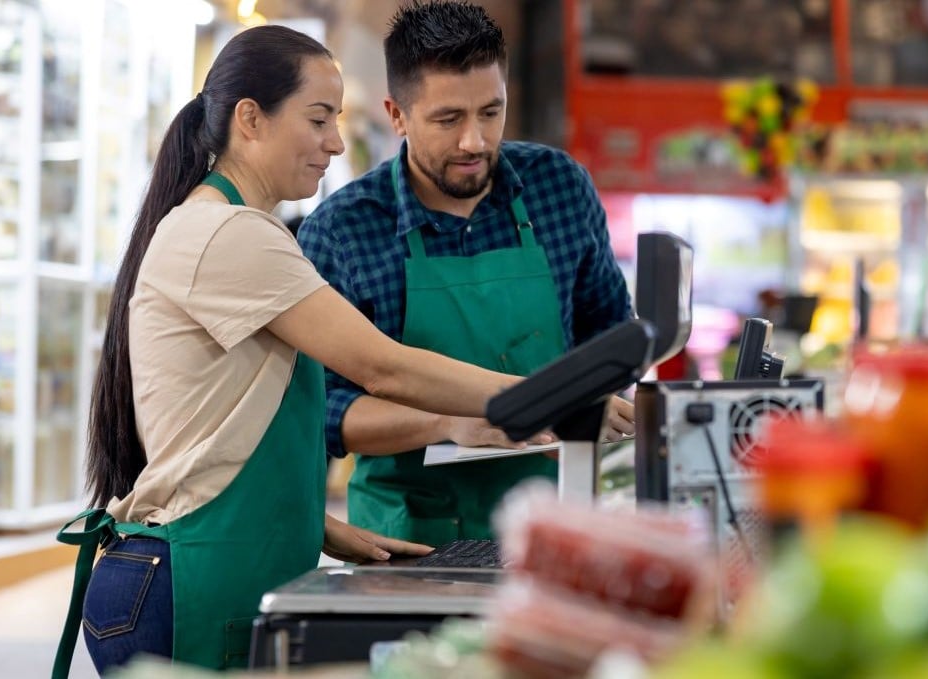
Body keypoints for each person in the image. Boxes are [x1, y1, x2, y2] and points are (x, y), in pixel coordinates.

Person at [52, 25, 527, 677]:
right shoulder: (229, 233)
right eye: (318, 118)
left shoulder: (227, 226)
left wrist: (315, 523)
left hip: (196, 564)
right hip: (191, 577)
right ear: (251, 118)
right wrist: (541, 397)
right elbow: (379, 365)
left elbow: (217, 424)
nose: (335, 140)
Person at [297, 0, 634, 548]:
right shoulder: (343, 231)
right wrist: (447, 422)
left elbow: (612, 331)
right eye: (448, 119)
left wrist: (596, 398)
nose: (475, 141)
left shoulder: (560, 188)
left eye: (490, 112)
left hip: (560, 523)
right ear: (397, 115)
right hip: (409, 541)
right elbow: (323, 411)